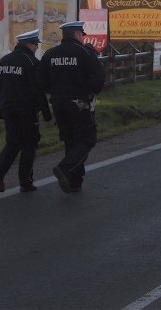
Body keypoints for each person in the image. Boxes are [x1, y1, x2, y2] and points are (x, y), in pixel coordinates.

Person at [36, 21, 105, 193]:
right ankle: (66, 168)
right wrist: (88, 91)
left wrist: (56, 92)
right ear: (76, 35)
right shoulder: (84, 52)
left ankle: (74, 181)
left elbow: (41, 80)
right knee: (87, 139)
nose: (83, 38)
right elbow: (98, 78)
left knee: (70, 140)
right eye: (82, 35)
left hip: (58, 103)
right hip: (79, 103)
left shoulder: (50, 54)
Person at [0, 29, 52, 193]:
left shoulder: (4, 61)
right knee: (29, 143)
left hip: (7, 107)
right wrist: (46, 112)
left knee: (13, 141)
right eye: (35, 45)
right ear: (29, 44)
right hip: (26, 109)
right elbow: (37, 90)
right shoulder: (31, 62)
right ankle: (25, 182)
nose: (37, 48)